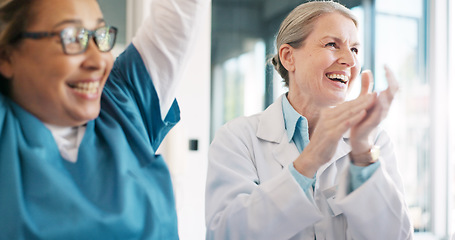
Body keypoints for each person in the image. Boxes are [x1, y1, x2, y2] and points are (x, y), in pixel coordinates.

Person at [0, 0, 208, 238]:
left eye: (100, 35)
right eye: (72, 37)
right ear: (6, 56)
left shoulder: (123, 103)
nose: (98, 60)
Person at [205, 1, 413, 239]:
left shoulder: (373, 141)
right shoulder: (238, 138)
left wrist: (363, 155)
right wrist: (309, 162)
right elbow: (225, 234)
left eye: (355, 49)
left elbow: (397, 236)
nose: (350, 60)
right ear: (288, 57)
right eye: (333, 44)